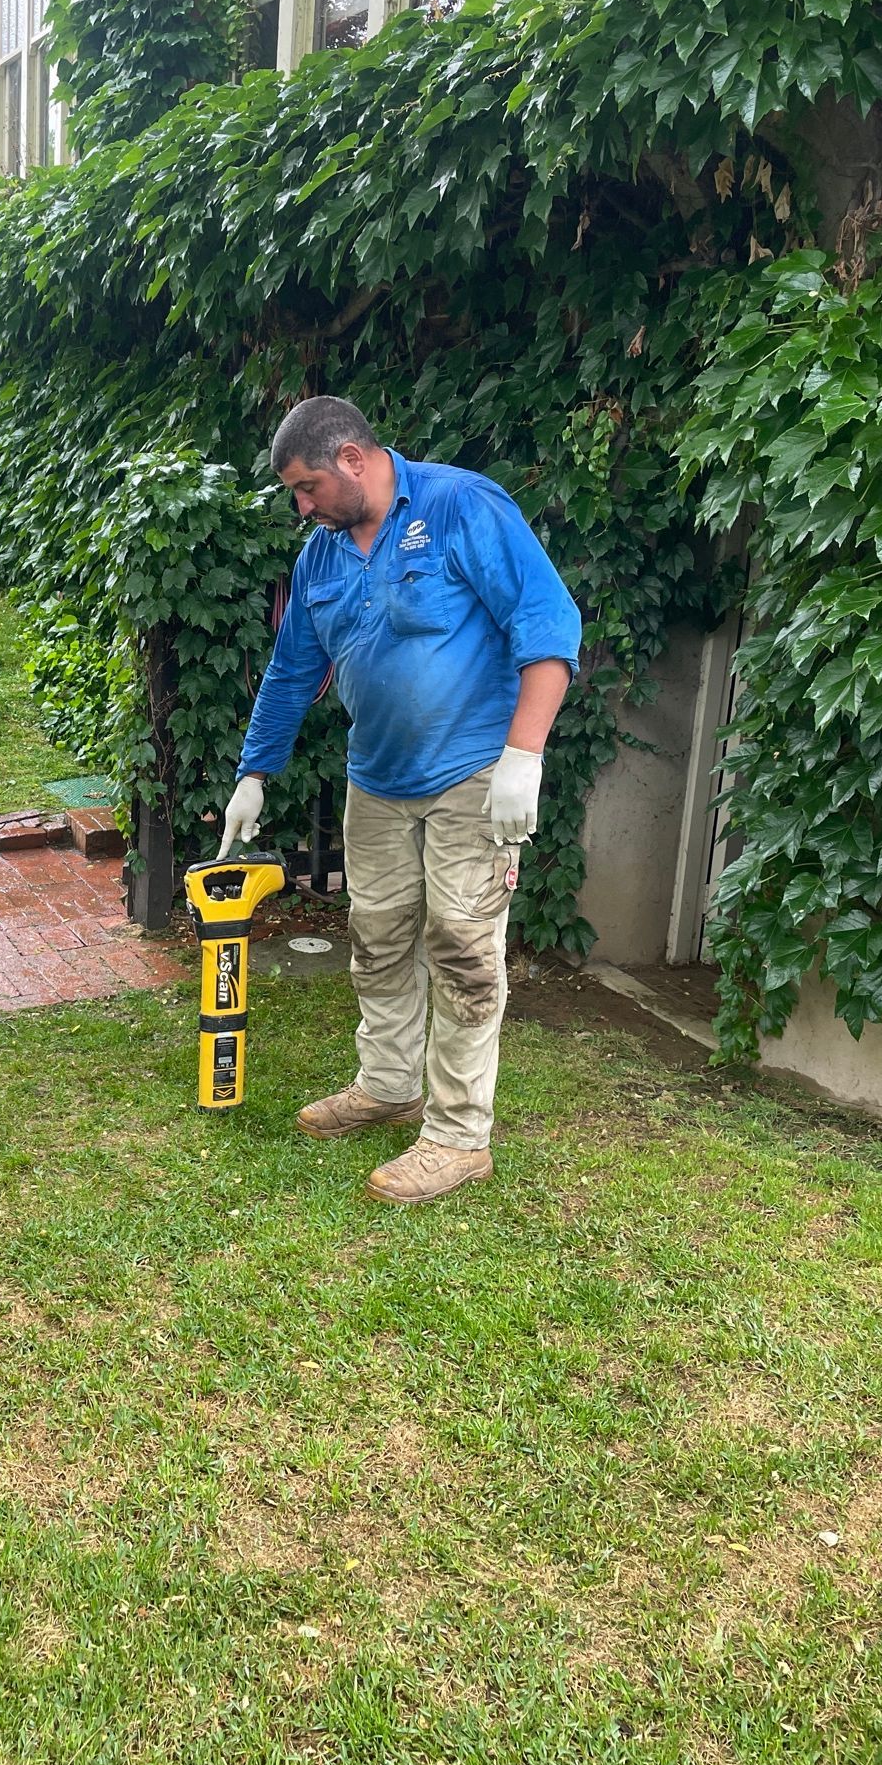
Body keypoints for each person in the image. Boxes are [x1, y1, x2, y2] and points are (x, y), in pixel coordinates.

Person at [218, 397, 581, 1206]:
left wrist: (524, 756)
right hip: (376, 783)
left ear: (352, 458)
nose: (302, 507)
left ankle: (458, 1137)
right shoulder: (321, 557)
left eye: (308, 487)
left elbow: (547, 621)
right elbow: (289, 672)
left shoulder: (461, 506)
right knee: (377, 937)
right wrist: (254, 773)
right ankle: (387, 1085)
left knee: (461, 949)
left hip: (472, 777)